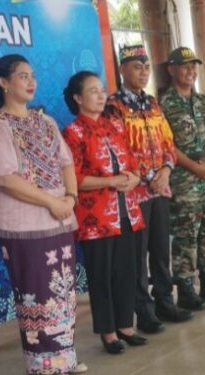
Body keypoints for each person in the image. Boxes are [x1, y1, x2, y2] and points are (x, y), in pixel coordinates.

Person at [0, 54, 86, 375]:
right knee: (35, 292)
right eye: (22, 76)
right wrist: (52, 202)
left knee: (62, 291)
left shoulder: (46, 122)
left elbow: (66, 162)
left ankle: (64, 355)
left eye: (33, 75)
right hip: (24, 225)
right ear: (3, 82)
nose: (31, 81)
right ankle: (45, 364)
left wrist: (69, 198)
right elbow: (6, 179)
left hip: (58, 218)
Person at [105, 44, 192, 334]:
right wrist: (150, 175)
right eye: (135, 66)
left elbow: (168, 143)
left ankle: (165, 300)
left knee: (160, 248)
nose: (142, 72)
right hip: (134, 193)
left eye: (145, 67)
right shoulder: (114, 106)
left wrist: (165, 171)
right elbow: (118, 151)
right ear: (122, 69)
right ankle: (143, 310)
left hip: (160, 188)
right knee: (137, 254)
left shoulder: (153, 103)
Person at [62, 71, 147, 355]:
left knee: (127, 270)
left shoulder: (115, 126)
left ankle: (126, 325)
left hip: (127, 211)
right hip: (95, 218)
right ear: (77, 98)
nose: (101, 96)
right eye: (93, 91)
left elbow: (134, 162)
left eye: (102, 90)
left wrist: (134, 177)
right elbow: (74, 177)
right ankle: (108, 332)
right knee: (102, 274)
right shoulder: (72, 132)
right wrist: (111, 181)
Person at [160, 47, 205, 305]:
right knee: (186, 236)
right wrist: (194, 166)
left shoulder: (202, 101)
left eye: (194, 66)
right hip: (185, 181)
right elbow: (166, 145)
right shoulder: (164, 104)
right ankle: (186, 288)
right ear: (171, 69)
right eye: (184, 66)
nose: (191, 71)